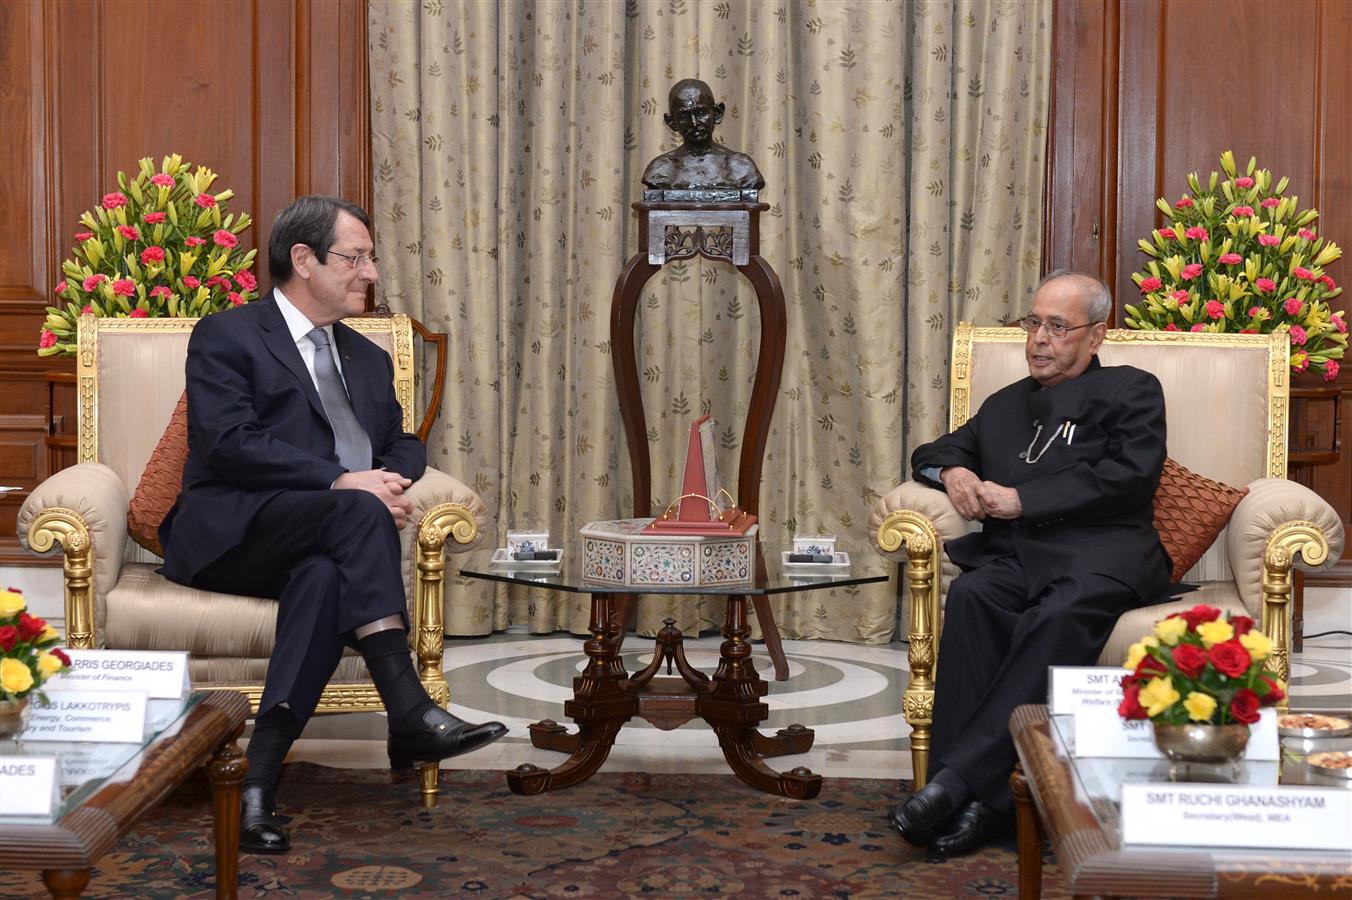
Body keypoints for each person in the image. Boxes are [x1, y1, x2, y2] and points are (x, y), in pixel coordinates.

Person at [159, 196, 506, 854]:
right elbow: (229, 443)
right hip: (234, 534)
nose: (369, 272)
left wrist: (389, 479)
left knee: (322, 579)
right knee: (355, 509)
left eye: (370, 258)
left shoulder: (368, 359)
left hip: (323, 541)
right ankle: (406, 706)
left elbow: (405, 442)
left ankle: (256, 786)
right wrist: (344, 482)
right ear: (303, 260)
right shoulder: (228, 336)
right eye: (355, 257)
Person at [890, 270, 1171, 856]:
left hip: (1104, 551)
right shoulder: (1003, 405)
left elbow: (1130, 474)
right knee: (973, 597)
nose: (1039, 339)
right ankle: (977, 799)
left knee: (1060, 613)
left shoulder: (1132, 388)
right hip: (1019, 555)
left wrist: (1025, 500)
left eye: (1058, 327)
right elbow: (934, 451)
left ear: (1095, 336)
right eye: (1033, 323)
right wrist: (953, 472)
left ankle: (961, 788)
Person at [641, 78, 765, 191]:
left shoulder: (742, 167)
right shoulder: (660, 169)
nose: (694, 123)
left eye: (701, 113)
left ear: (717, 113)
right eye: (683, 116)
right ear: (671, 122)